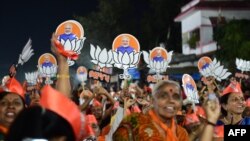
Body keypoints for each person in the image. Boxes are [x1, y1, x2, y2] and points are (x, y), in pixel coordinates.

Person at [113, 80, 189, 141]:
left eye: (176, 97)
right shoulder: (134, 122)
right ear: (152, 101)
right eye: (163, 96)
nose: (171, 100)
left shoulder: (181, 133)